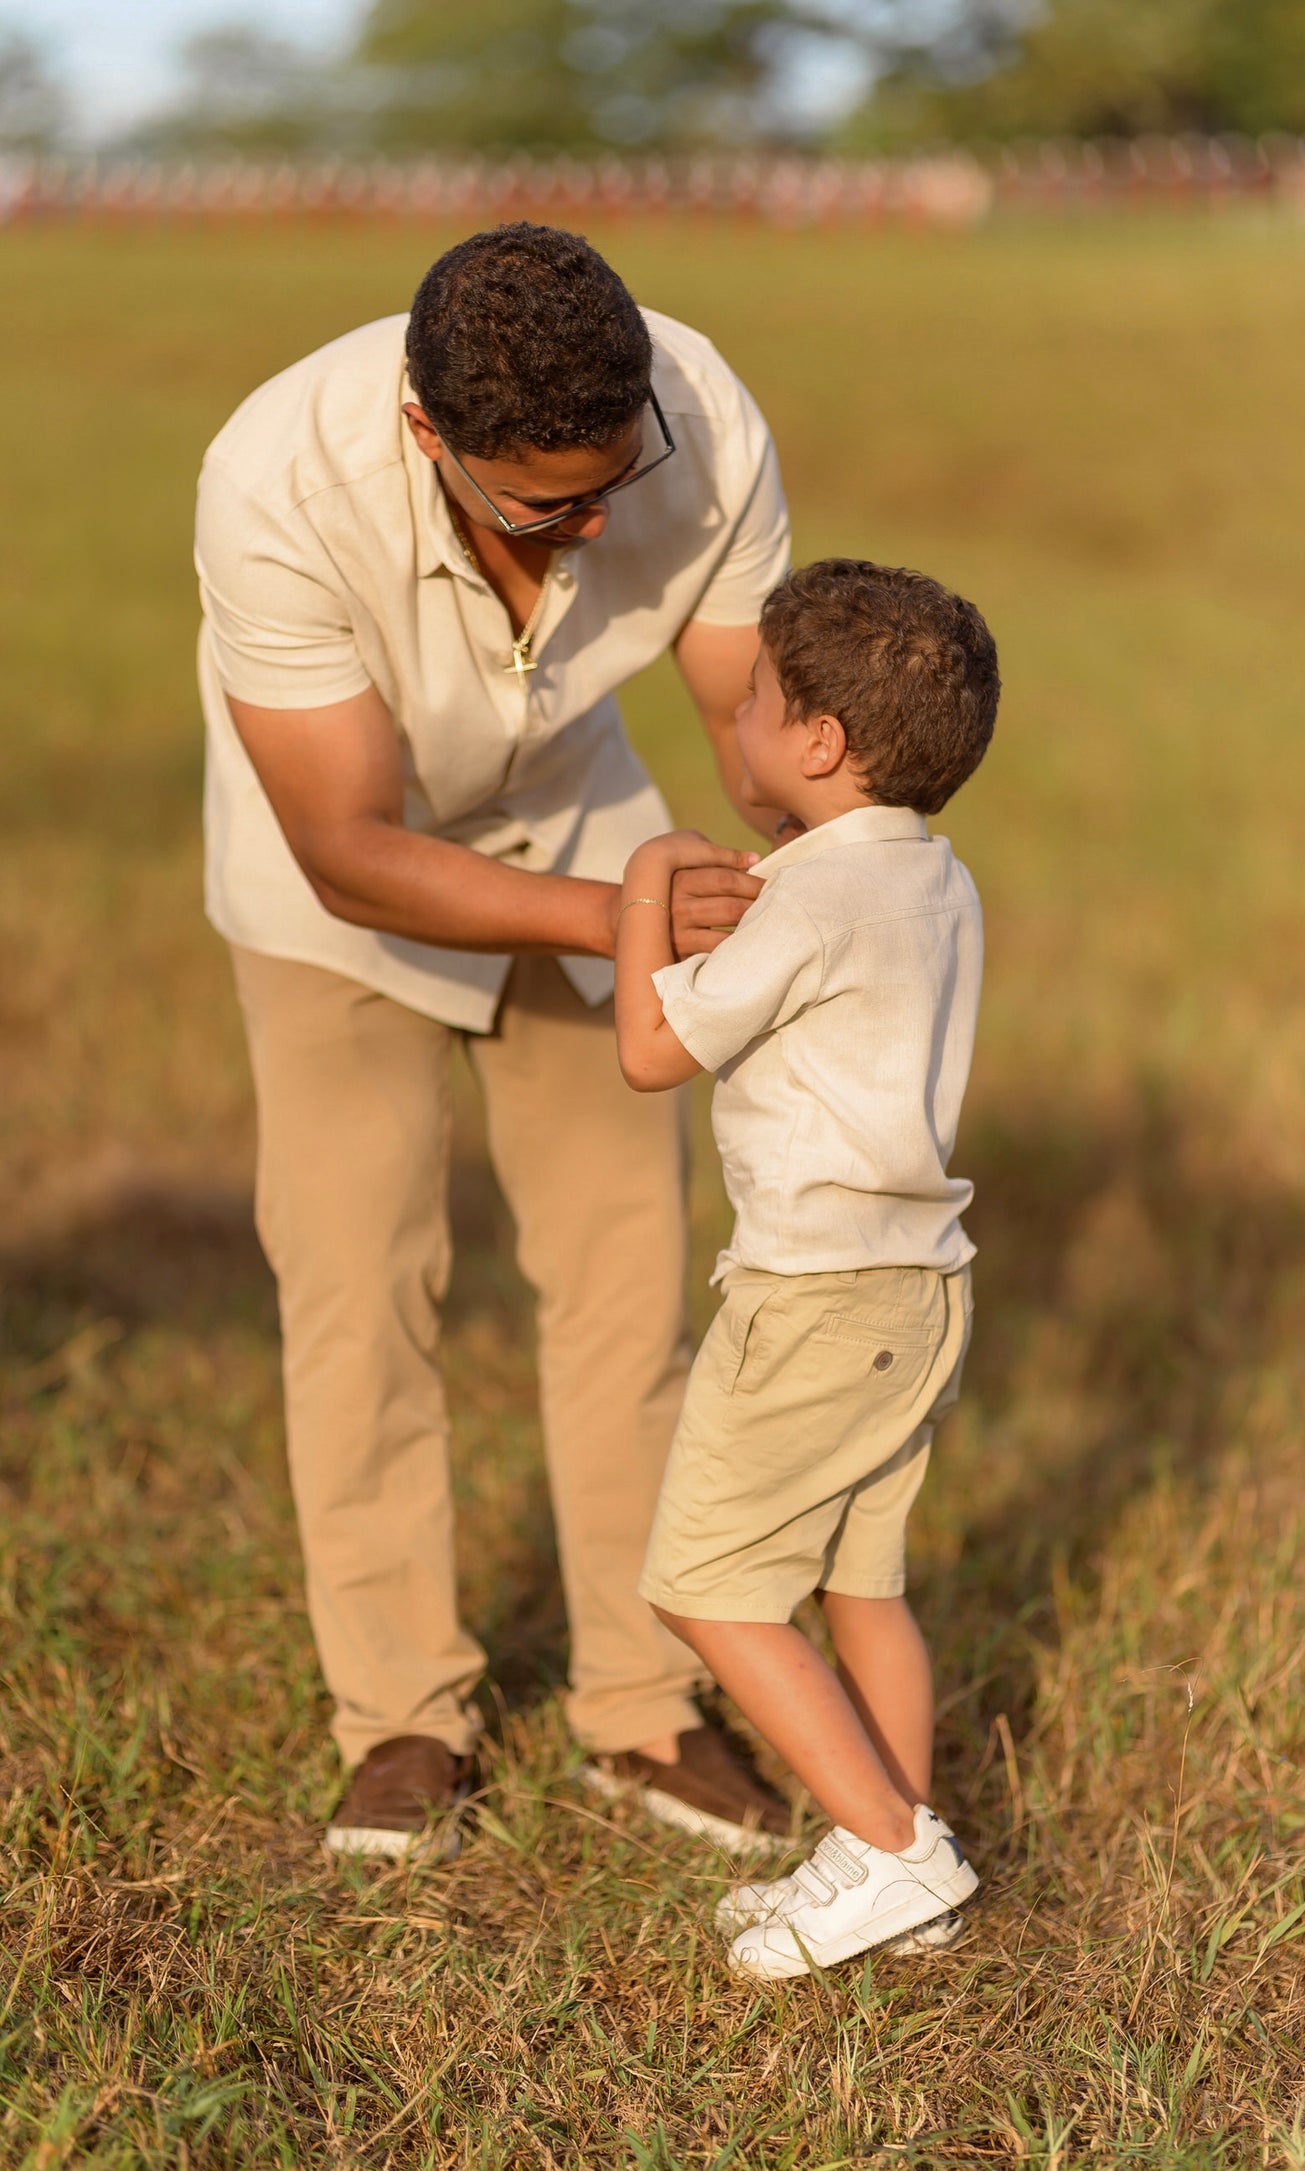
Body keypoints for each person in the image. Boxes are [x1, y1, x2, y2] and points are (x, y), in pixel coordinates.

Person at [195, 221, 798, 1858]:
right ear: (427, 434)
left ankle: (645, 1707)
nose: (597, 522)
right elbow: (349, 842)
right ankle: (400, 1722)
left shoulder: (699, 419)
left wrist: (848, 836)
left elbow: (759, 738)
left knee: (626, 1286)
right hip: (339, 892)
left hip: (583, 824)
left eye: (618, 478)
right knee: (359, 1288)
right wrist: (621, 920)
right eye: (548, 504)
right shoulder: (273, 482)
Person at [612, 557, 1000, 1977]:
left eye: (759, 701)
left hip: (814, 1295)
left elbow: (653, 1051)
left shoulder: (811, 903)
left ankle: (898, 1855)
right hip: (916, 1288)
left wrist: (648, 879)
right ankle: (889, 1851)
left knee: (707, 1586)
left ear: (819, 744)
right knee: (860, 1583)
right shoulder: (927, 875)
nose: (742, 720)